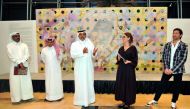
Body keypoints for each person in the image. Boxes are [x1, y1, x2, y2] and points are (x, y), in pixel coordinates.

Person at [146, 28, 188, 109]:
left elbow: (183, 59)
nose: (174, 34)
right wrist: (166, 68)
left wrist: (172, 70)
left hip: (178, 70)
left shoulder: (184, 45)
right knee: (161, 85)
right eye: (173, 33)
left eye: (176, 33)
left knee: (176, 87)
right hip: (167, 69)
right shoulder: (167, 45)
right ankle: (155, 100)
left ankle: (173, 102)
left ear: (180, 35)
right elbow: (164, 56)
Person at [70, 30, 98, 107]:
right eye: (81, 34)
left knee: (89, 82)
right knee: (80, 83)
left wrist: (94, 53)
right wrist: (82, 52)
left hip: (88, 67)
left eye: (84, 34)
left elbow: (93, 55)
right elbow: (72, 55)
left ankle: (90, 99)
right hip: (79, 68)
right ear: (78, 35)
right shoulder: (74, 44)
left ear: (86, 35)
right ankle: (80, 100)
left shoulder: (89, 43)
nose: (82, 36)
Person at [7, 32, 34, 104]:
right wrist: (19, 63)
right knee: (16, 83)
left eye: (18, 36)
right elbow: (10, 56)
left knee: (24, 82)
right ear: (12, 37)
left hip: (23, 65)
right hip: (15, 65)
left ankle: (26, 98)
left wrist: (21, 62)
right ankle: (16, 100)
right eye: (16, 36)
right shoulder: (9, 46)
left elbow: (27, 54)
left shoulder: (24, 45)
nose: (18, 37)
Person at [115, 32, 138, 108]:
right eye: (122, 37)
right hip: (121, 69)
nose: (122, 38)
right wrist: (118, 58)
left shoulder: (133, 48)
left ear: (128, 38)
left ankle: (128, 102)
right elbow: (118, 60)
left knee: (129, 85)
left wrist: (130, 61)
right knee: (121, 84)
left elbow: (135, 60)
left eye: (124, 37)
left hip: (129, 69)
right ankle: (123, 101)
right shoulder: (121, 48)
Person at [41, 37, 64, 102]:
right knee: (49, 82)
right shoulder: (44, 50)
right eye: (48, 42)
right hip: (48, 69)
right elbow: (43, 58)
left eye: (51, 42)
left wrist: (56, 62)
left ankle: (58, 96)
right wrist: (49, 64)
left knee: (57, 81)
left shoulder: (57, 49)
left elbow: (60, 58)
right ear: (46, 42)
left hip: (56, 68)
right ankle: (49, 97)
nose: (50, 43)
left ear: (53, 42)